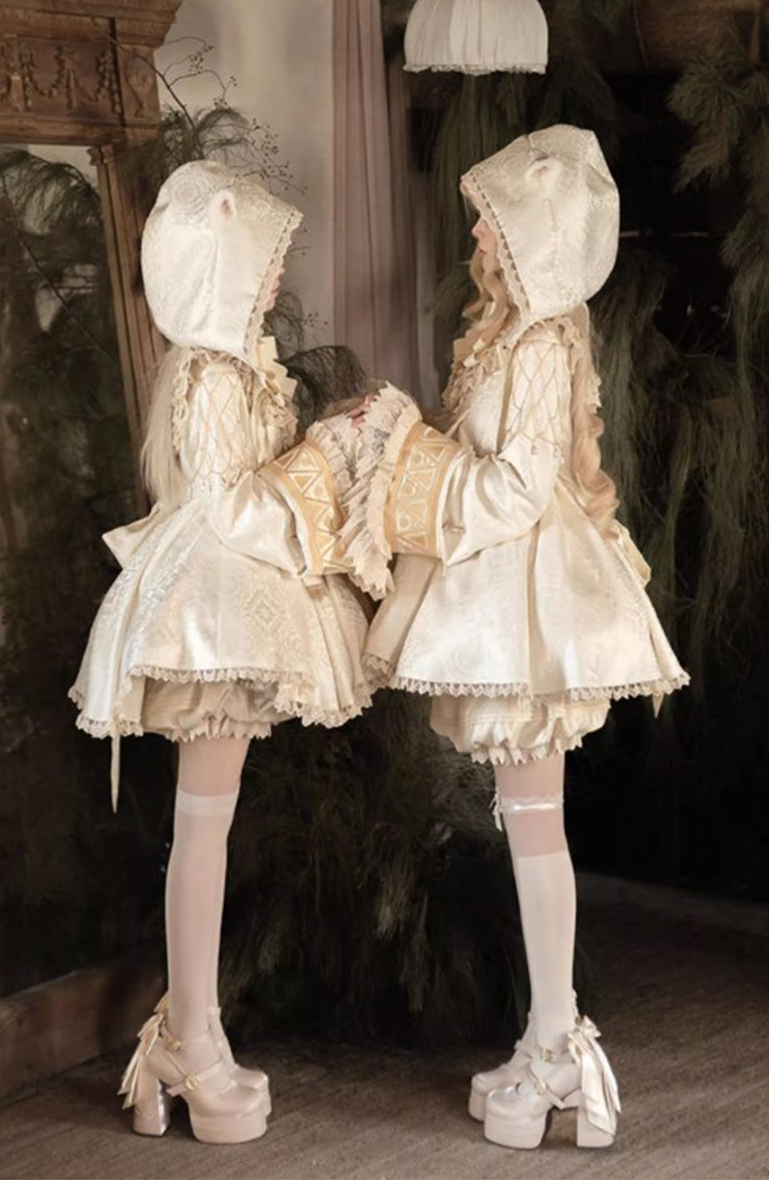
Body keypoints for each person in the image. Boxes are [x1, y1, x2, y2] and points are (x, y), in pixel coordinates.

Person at [321, 125, 689, 1150]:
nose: (477, 230)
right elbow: (481, 458)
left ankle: (558, 1047)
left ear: (535, 235)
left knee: (534, 826)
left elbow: (519, 489)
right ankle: (544, 1038)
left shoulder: (536, 344)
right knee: (528, 823)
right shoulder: (509, 336)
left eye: (493, 216)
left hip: (526, 598)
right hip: (504, 584)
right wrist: (408, 442)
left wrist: (405, 460)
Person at [69, 160, 373, 1144]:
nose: (279, 273)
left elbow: (252, 483)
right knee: (202, 827)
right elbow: (232, 506)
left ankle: (186, 1032)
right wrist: (326, 462)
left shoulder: (236, 366)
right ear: (223, 269)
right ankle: (188, 1040)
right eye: (265, 257)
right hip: (212, 612)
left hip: (232, 601)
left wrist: (322, 448)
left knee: (209, 823)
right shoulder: (209, 374)